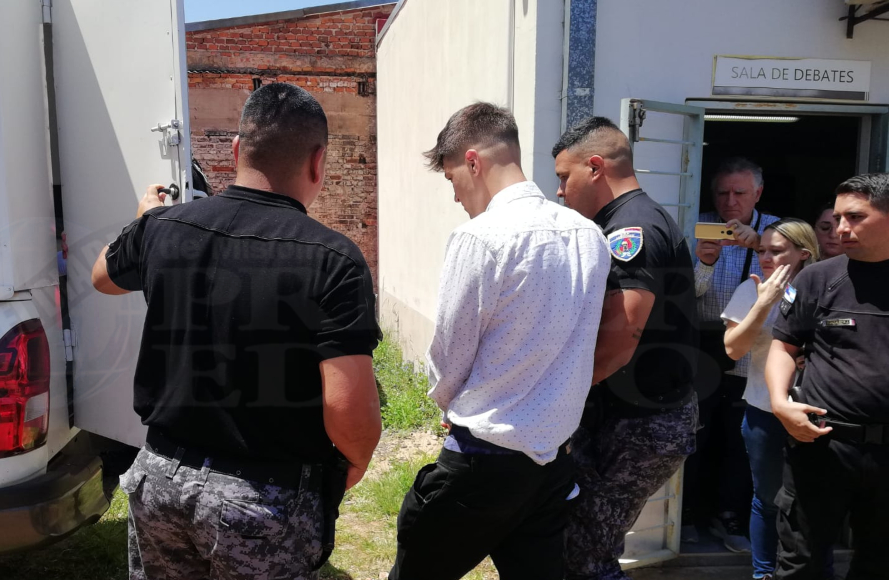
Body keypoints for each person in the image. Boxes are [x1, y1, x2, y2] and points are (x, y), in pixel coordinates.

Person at [90, 83, 383, 580]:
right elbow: (347, 410)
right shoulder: (333, 260)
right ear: (318, 162)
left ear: (235, 150)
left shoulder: (161, 229)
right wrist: (354, 461)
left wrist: (143, 223)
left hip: (159, 478)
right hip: (263, 499)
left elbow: (102, 277)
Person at [388, 103, 610, 580]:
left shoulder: (480, 237)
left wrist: (446, 403)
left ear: (473, 162)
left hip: (483, 458)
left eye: (452, 179)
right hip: (552, 461)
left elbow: (451, 352)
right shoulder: (590, 236)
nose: (454, 196)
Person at [552, 117, 699, 580]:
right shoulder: (624, 221)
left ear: (595, 167)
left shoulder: (632, 228)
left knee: (587, 557)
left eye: (564, 177)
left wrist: (553, 400)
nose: (559, 191)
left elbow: (619, 340)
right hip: (624, 415)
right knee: (577, 543)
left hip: (641, 422)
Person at [767, 173, 889, 580]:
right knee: (801, 562)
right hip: (823, 443)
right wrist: (780, 403)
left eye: (855, 217)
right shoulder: (818, 278)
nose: (840, 229)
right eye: (837, 218)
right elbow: (784, 347)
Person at [685, 157, 780, 551]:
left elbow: (795, 278)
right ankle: (687, 516)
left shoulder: (777, 231)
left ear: (758, 193)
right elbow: (683, 298)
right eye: (722, 193)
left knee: (740, 441)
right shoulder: (696, 223)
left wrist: (759, 244)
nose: (730, 201)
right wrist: (706, 262)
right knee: (696, 436)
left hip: (753, 354)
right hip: (702, 350)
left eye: (739, 193)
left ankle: (731, 516)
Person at [720, 219, 819, 580]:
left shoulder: (824, 286)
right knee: (768, 498)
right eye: (762, 250)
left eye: (776, 251)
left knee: (814, 501)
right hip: (764, 409)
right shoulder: (751, 289)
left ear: (803, 254)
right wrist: (763, 303)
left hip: (818, 409)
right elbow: (733, 349)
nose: (765, 258)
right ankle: (763, 574)